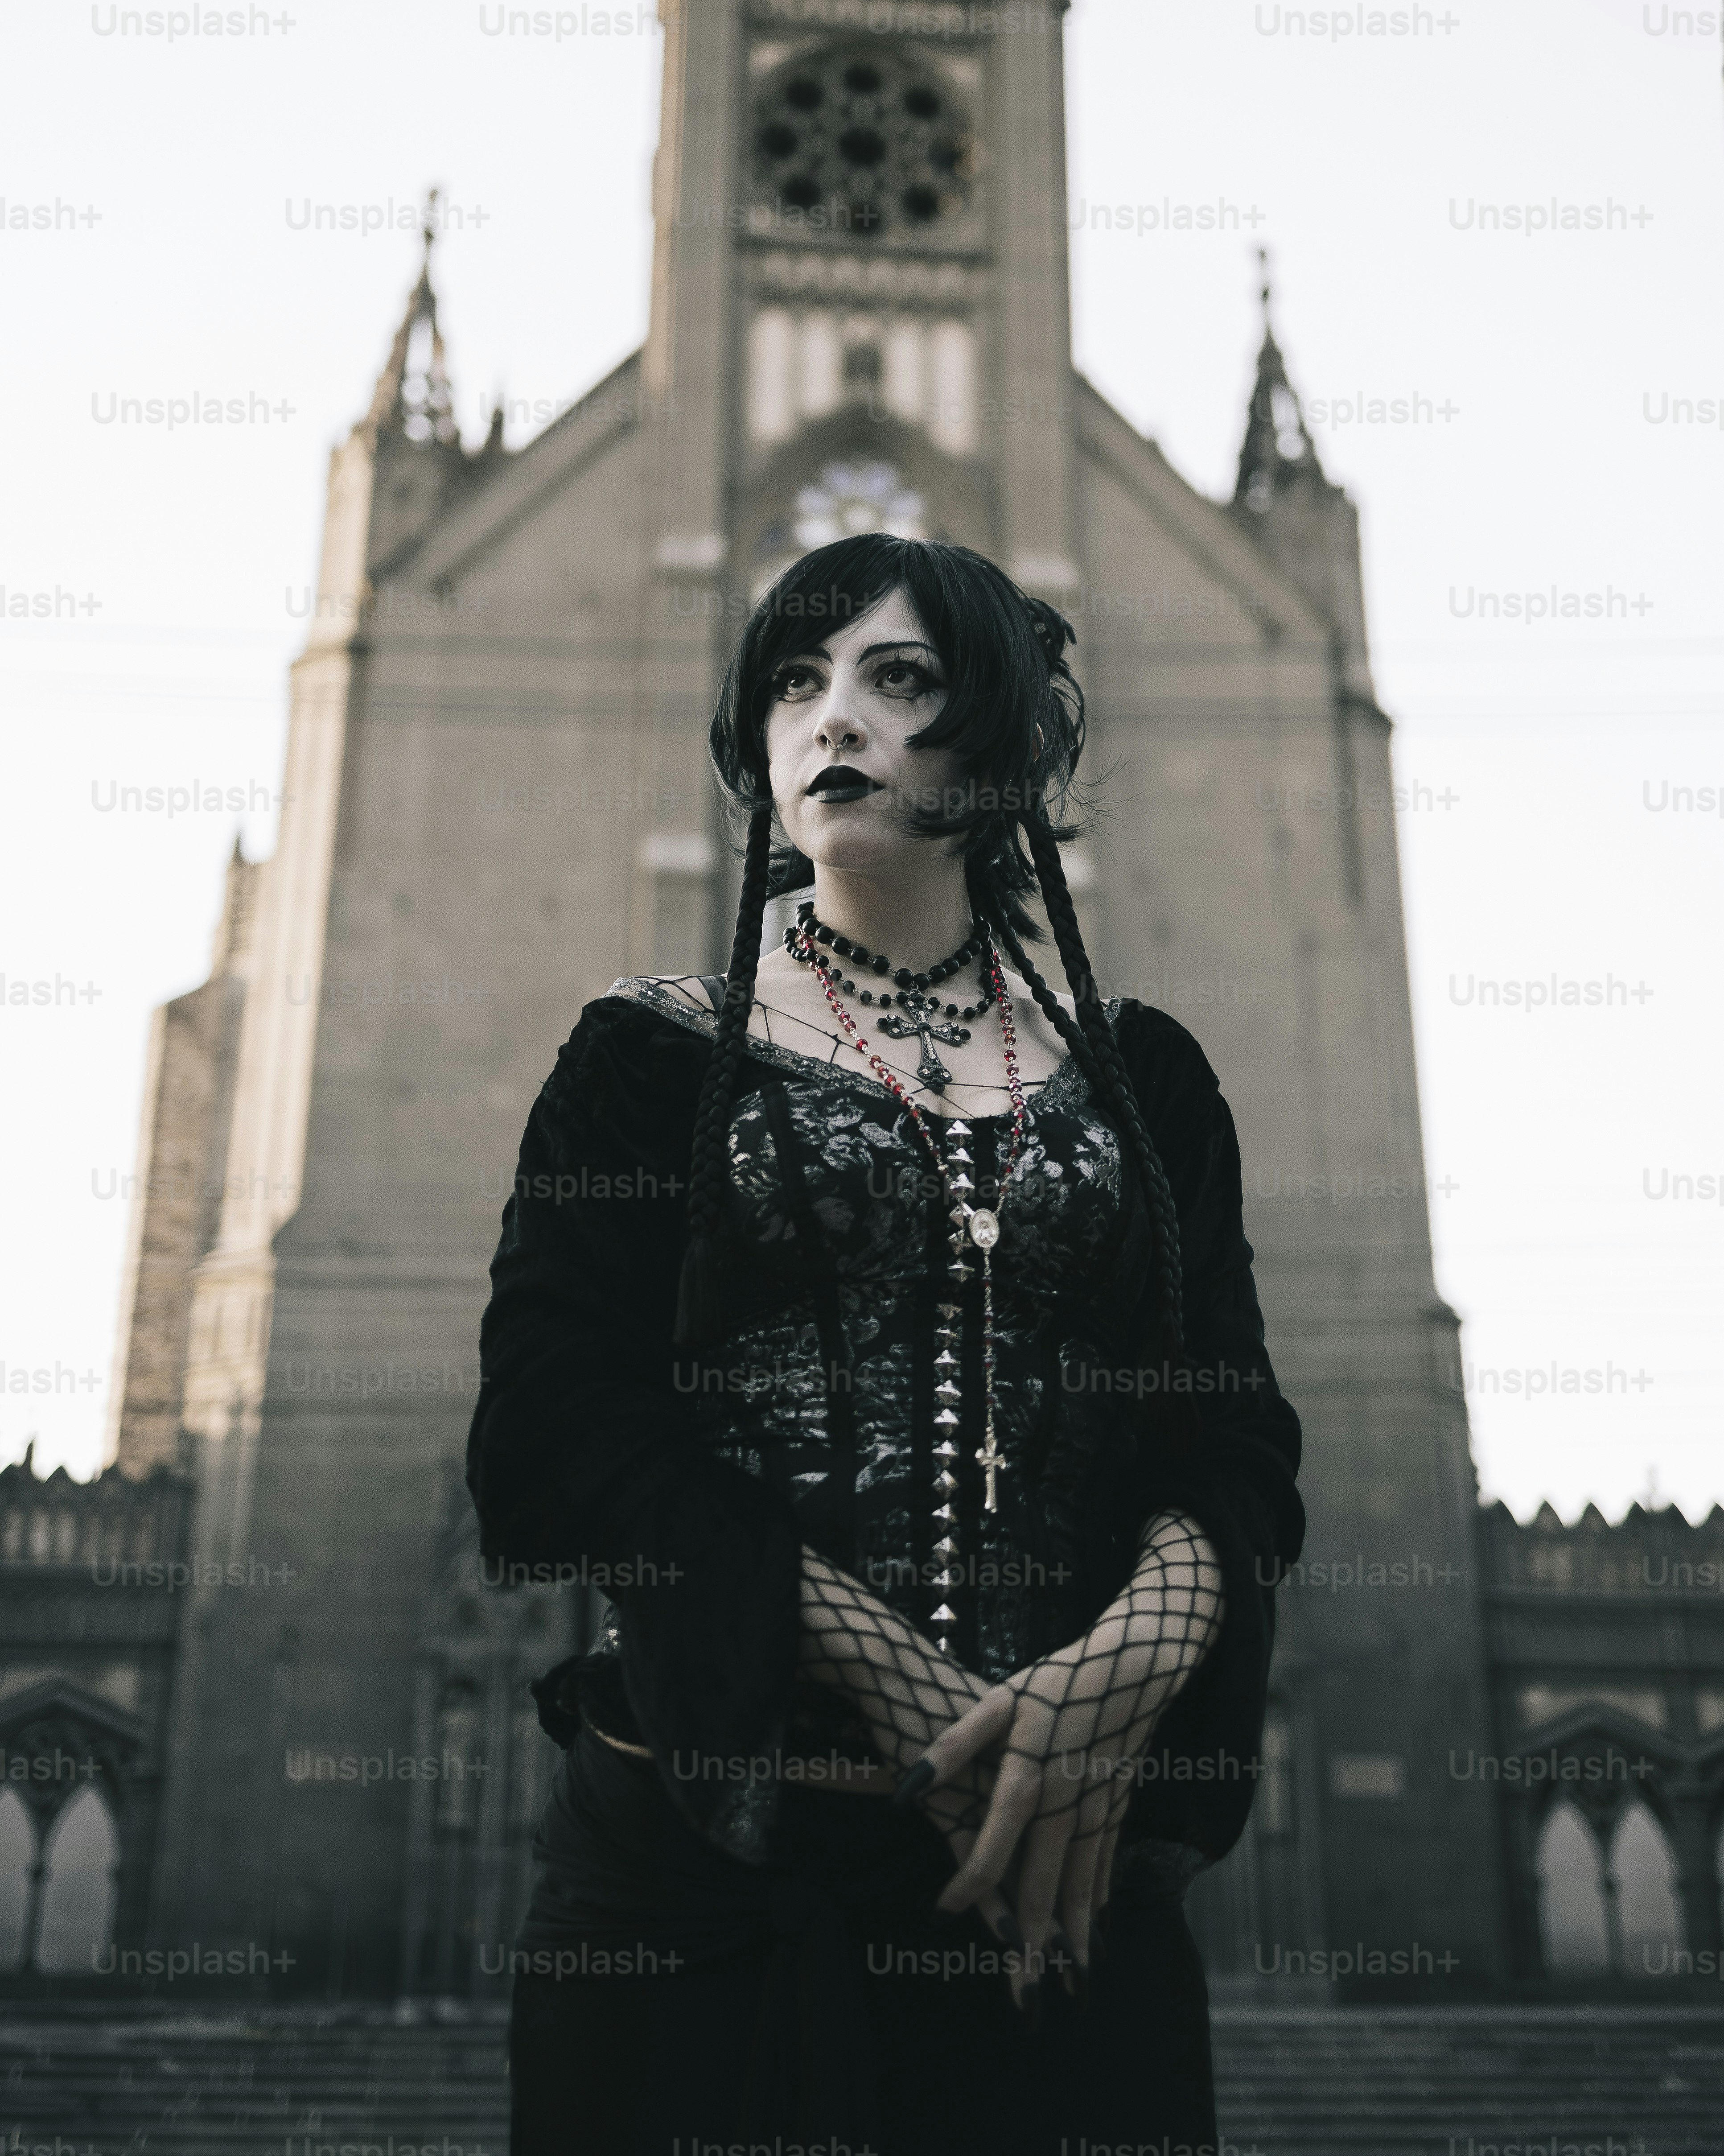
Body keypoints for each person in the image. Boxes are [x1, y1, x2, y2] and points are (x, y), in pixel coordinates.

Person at [467, 533, 1304, 2156]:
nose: (828, 718)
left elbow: (1234, 1443)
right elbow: (556, 1426)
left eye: (893, 678)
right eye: (793, 681)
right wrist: (879, 1663)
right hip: (710, 1892)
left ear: (1002, 743)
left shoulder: (1145, 1078)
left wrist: (1116, 1676)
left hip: (1057, 1870)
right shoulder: (648, 1056)